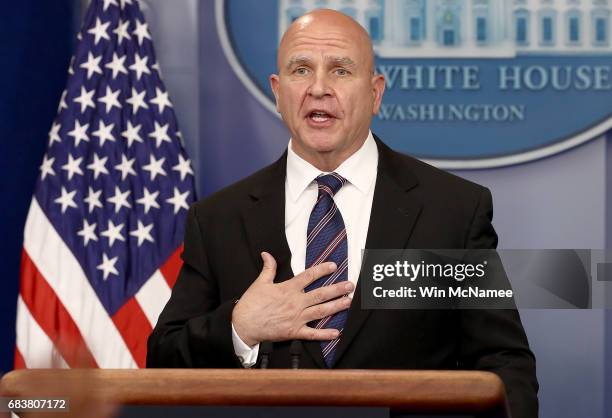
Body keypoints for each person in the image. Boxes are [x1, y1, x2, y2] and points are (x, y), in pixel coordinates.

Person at [147, 9, 538, 417]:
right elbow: (163, 359)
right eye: (301, 70)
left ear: (375, 93)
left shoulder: (452, 210)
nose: (318, 88)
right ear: (278, 93)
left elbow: (504, 364)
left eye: (340, 71)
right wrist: (239, 328)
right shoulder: (218, 218)